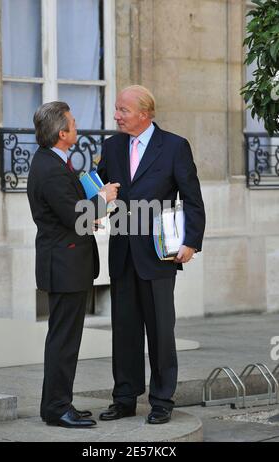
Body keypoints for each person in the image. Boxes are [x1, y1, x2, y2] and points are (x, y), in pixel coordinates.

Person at [97, 85, 205, 424]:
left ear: (144, 113)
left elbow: (192, 199)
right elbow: (99, 192)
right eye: (117, 110)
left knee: (160, 330)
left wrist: (191, 242)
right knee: (124, 329)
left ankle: (161, 400)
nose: (116, 116)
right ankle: (125, 397)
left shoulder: (174, 146)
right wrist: (96, 197)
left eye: (122, 110)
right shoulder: (111, 147)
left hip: (159, 254)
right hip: (122, 252)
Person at [27, 101, 119, 428]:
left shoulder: (55, 161)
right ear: (62, 133)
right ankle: (55, 408)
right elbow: (75, 215)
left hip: (70, 263)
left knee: (66, 340)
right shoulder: (49, 167)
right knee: (63, 341)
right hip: (63, 266)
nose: (78, 128)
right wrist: (104, 198)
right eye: (74, 123)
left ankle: (60, 403)